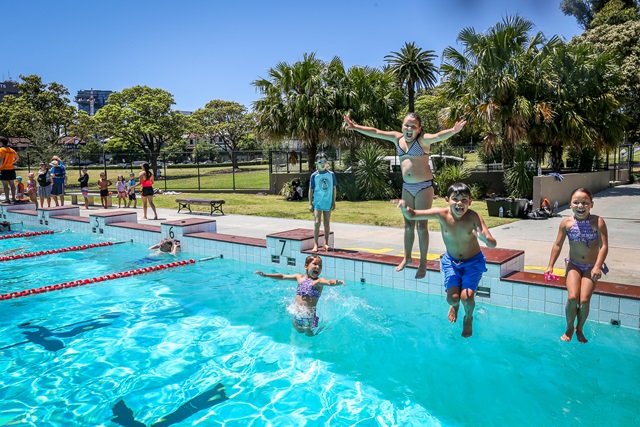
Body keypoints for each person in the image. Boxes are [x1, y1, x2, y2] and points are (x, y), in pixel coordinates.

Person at [344, 114, 467, 279]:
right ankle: (407, 258)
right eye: (406, 125)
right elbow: (376, 132)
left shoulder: (423, 140)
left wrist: (453, 130)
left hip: (424, 187)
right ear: (402, 126)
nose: (409, 129)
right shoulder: (397, 138)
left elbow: (438, 136)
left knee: (421, 227)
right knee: (408, 226)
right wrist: (355, 127)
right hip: (407, 187)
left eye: (413, 126)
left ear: (419, 129)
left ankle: (423, 263)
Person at [395, 182, 496, 338]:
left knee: (467, 298)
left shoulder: (474, 217)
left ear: (470, 202)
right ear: (447, 199)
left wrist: (485, 239)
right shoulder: (441, 214)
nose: (459, 203)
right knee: (452, 299)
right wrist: (404, 208)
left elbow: (492, 242)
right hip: (451, 262)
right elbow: (413, 214)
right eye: (455, 199)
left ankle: (468, 317)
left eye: (464, 200)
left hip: (473, 262)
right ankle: (454, 307)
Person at [545, 187, 609, 344]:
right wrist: (550, 265)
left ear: (591, 204)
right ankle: (569, 327)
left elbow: (604, 246)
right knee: (573, 297)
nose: (581, 206)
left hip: (591, 266)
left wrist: (597, 266)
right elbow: (558, 245)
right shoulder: (566, 223)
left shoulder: (598, 222)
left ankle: (579, 328)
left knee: (584, 300)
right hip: (573, 264)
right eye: (576, 202)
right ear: (570, 205)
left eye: (585, 203)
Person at [255, 255, 344, 336]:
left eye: (320, 265)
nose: (318, 267)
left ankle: (323, 327)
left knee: (309, 334)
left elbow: (329, 282)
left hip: (308, 316)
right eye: (315, 264)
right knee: (299, 330)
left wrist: (337, 282)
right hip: (297, 314)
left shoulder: (318, 281)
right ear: (306, 266)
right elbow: (282, 276)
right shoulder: (299, 277)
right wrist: (266, 275)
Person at [308, 153, 337, 252]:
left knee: (326, 223)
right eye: (320, 162)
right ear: (317, 163)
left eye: (324, 161)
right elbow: (310, 190)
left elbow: (334, 188)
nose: (323, 164)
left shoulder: (331, 174)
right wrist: (310, 203)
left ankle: (326, 243)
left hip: (327, 202)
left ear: (327, 163)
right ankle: (315, 244)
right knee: (317, 222)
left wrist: (333, 201)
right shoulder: (314, 175)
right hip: (317, 203)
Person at [0, 136, 19, 204]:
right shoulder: (12, 150)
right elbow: (17, 158)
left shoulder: (1, 150)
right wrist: (12, 162)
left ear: (1, 142)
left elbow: (1, 160)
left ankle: (7, 199)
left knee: (5, 185)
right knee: (12, 184)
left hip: (4, 169)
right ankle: (13, 198)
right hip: (11, 169)